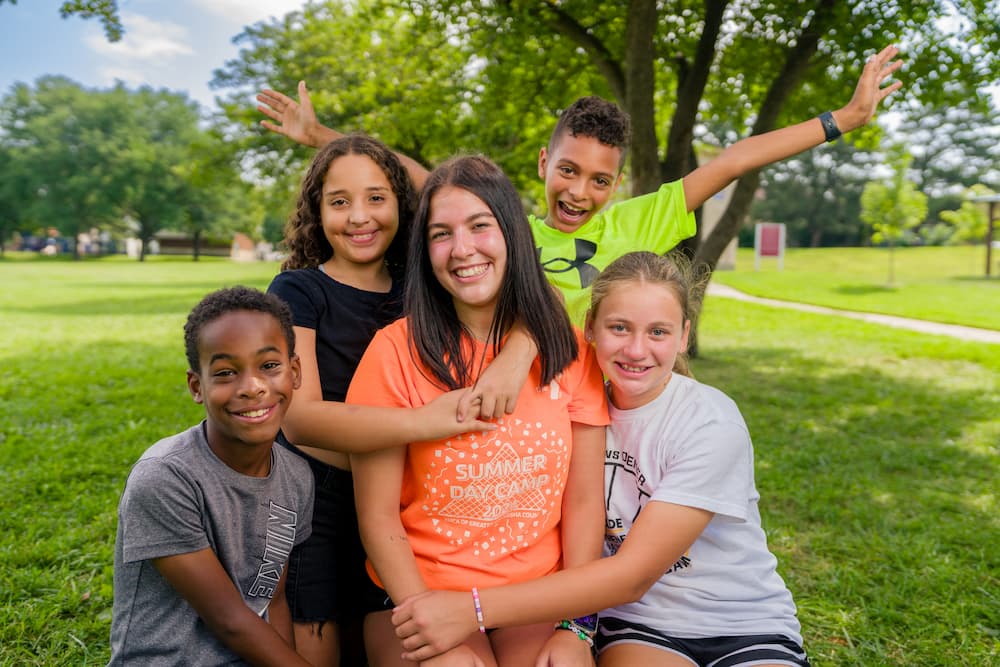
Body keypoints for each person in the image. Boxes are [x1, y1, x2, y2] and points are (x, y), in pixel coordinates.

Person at [256, 45, 903, 325]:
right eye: (567, 170)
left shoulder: (639, 220)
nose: (579, 191)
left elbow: (733, 160)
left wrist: (841, 120)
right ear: (543, 163)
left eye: (600, 180)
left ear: (618, 183)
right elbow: (425, 179)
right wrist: (324, 139)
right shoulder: (508, 222)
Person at [389, 251, 812, 667]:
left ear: (684, 335)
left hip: (742, 622)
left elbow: (632, 576)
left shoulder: (709, 423)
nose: (636, 349)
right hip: (639, 624)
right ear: (589, 327)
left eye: (658, 333)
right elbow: (546, 294)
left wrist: (471, 610)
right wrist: (519, 352)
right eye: (619, 327)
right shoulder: (573, 405)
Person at [267, 134, 533, 667]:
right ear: (316, 213)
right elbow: (299, 420)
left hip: (413, 510)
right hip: (319, 500)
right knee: (320, 645)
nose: (360, 216)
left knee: (394, 636)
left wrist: (519, 351)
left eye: (377, 196)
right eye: (339, 201)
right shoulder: (300, 290)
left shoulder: (423, 284)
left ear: (401, 204)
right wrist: (422, 425)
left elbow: (526, 281)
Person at [345, 155, 610, 666]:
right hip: (418, 591)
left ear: (511, 231)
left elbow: (582, 505)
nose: (462, 249)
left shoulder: (570, 352)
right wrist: (422, 611)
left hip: (532, 597)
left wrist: (576, 627)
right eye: (441, 234)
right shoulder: (394, 351)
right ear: (425, 251)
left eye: (479, 226)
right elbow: (378, 519)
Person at [109, 286, 314, 665]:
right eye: (225, 373)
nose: (252, 387)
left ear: (295, 372)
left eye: (269, 366)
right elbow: (230, 620)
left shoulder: (297, 477)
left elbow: (273, 598)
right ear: (196, 386)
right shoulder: (165, 478)